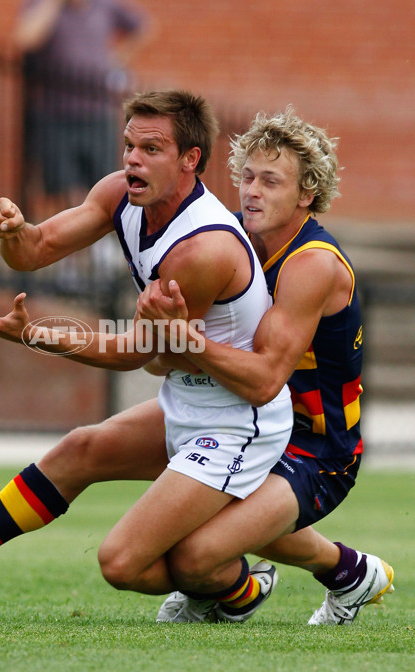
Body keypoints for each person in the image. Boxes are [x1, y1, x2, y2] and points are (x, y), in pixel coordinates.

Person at [0, 89, 294, 619]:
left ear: (189, 160)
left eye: (151, 149)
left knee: (123, 563)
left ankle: (240, 588)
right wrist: (13, 232)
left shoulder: (201, 249)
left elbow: (137, 354)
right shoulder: (119, 195)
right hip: (188, 398)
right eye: (129, 145)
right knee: (78, 451)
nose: (132, 158)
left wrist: (35, 335)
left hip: (238, 421)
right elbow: (35, 250)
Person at [135, 106, 395, 625]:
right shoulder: (229, 239)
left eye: (270, 181)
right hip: (245, 422)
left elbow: (264, 377)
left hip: (318, 448)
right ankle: (349, 573)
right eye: (247, 177)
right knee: (88, 447)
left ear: (305, 194)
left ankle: (239, 587)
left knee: (193, 557)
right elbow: (162, 359)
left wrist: (183, 338)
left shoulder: (313, 264)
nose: (251, 190)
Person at [14, 0, 147, 220]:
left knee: (104, 179)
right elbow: (25, 39)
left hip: (98, 110)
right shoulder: (43, 6)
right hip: (56, 111)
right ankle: (75, 243)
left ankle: (98, 240)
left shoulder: (105, 6)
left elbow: (142, 26)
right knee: (65, 184)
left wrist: (116, 60)